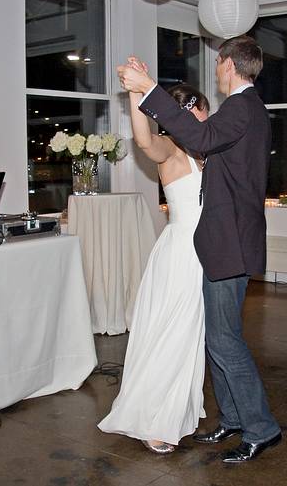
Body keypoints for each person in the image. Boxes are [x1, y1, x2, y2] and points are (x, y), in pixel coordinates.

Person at [117, 35, 281, 464]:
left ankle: (261, 428)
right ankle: (232, 417)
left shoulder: (241, 107)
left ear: (227, 64)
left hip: (228, 244)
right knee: (216, 337)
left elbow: (203, 138)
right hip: (220, 242)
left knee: (226, 341)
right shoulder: (249, 109)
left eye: (216, 64)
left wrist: (148, 88)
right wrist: (141, 94)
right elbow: (188, 142)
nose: (215, 71)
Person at [98, 83, 209, 454]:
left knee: (190, 333)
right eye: (204, 111)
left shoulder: (200, 150)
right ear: (190, 112)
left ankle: (179, 407)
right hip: (181, 251)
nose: (208, 119)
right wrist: (136, 95)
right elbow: (144, 142)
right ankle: (153, 420)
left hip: (201, 250)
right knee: (173, 332)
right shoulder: (172, 147)